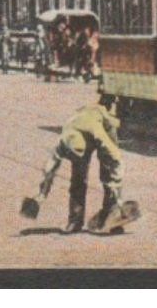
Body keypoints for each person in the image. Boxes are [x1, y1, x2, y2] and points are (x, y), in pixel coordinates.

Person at [38, 92, 125, 235]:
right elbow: (49, 170)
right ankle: (75, 220)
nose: (80, 160)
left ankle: (112, 217)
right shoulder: (63, 142)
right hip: (81, 127)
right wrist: (41, 195)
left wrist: (117, 192)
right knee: (78, 178)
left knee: (108, 174)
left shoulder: (97, 131)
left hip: (102, 125)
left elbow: (117, 159)